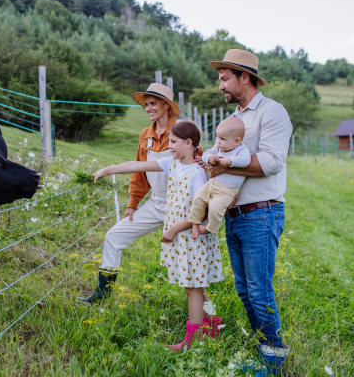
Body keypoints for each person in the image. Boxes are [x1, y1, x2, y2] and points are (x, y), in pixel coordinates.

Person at [200, 49, 293, 376]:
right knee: (244, 289)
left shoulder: (272, 112)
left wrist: (225, 162)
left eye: (225, 79)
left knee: (258, 289)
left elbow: (271, 161)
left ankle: (274, 357)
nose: (220, 86)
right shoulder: (232, 119)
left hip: (261, 213)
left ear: (245, 77)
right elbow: (218, 154)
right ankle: (263, 349)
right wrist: (208, 159)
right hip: (234, 215)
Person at [93, 121, 223, 352]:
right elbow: (139, 164)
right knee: (196, 286)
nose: (169, 146)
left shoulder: (196, 174)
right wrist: (108, 170)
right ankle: (211, 323)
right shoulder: (171, 163)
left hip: (191, 238)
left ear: (189, 143)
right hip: (184, 240)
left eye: (173, 142)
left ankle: (191, 340)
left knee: (193, 287)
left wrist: (172, 229)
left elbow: (201, 213)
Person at [78, 83, 203, 306]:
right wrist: (133, 204)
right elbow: (140, 168)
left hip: (182, 210)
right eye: (146, 105)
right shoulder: (145, 134)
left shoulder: (182, 131)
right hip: (155, 204)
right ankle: (102, 293)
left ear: (166, 105)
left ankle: (209, 316)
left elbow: (198, 166)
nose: (148, 108)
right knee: (114, 236)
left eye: (153, 104)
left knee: (191, 275)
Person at [188, 117, 250, 239]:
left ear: (237, 141)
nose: (218, 142)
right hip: (212, 183)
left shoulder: (242, 150)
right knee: (197, 198)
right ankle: (195, 223)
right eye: (217, 137)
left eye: (222, 139)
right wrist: (209, 158)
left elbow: (246, 161)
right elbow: (206, 153)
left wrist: (229, 161)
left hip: (227, 190)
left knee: (215, 208)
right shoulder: (218, 147)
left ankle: (210, 228)